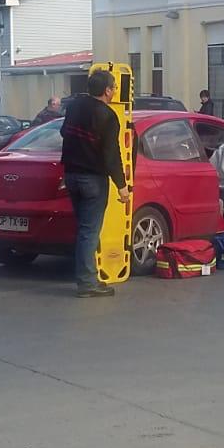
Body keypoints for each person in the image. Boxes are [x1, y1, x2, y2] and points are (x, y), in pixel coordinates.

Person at [60, 71, 130, 298]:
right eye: (114, 87)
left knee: (83, 230)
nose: (115, 91)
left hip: (71, 174)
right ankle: (87, 282)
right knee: (89, 232)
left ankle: (87, 277)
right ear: (108, 90)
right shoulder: (108, 116)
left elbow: (63, 132)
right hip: (93, 180)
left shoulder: (74, 106)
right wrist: (122, 185)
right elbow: (111, 154)